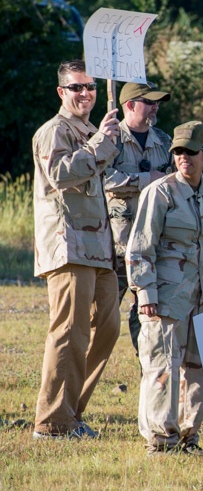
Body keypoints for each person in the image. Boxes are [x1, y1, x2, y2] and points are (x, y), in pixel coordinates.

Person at [127, 121, 203, 455]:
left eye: (190, 151)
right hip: (166, 300)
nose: (183, 157)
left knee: (198, 370)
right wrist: (145, 294)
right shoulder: (160, 193)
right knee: (162, 368)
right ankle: (162, 441)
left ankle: (190, 438)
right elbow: (140, 249)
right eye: (177, 152)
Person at [31, 59, 122, 439]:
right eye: (76, 87)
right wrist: (101, 143)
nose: (85, 93)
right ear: (61, 92)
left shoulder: (94, 131)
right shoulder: (55, 131)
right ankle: (53, 422)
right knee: (70, 331)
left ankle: (71, 412)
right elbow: (60, 174)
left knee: (108, 328)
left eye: (91, 87)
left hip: (99, 248)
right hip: (68, 245)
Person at [104, 81, 173, 356]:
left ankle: (148, 363)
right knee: (103, 312)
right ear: (130, 105)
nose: (155, 107)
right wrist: (146, 179)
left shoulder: (164, 141)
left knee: (147, 309)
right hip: (117, 246)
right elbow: (103, 179)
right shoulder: (111, 138)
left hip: (152, 244)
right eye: (149, 102)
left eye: (157, 102)